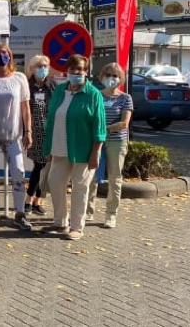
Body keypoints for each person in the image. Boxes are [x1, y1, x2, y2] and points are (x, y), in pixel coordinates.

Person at [42, 54, 106, 241]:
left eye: (80, 70)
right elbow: (51, 120)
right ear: (67, 71)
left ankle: (77, 227)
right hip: (60, 147)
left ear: (86, 72)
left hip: (83, 150)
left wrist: (96, 152)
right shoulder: (60, 91)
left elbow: (99, 126)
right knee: (55, 183)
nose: (76, 73)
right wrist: (48, 149)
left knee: (80, 188)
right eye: (72, 69)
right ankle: (60, 222)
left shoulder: (93, 94)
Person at [0, 43, 32, 230]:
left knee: (18, 171)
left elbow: (25, 107)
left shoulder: (19, 78)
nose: (2, 56)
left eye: (5, 53)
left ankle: (20, 213)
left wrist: (28, 131)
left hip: (13, 134)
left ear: (10, 56)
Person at [87, 62, 133, 229]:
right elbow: (90, 118)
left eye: (115, 75)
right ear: (101, 77)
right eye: (108, 75)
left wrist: (103, 129)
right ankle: (88, 211)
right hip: (96, 142)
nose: (111, 78)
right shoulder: (96, 95)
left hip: (117, 141)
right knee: (91, 177)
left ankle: (111, 214)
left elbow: (124, 123)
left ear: (120, 78)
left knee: (114, 178)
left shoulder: (125, 98)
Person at [25, 55, 56, 216]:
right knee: (39, 166)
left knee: (45, 168)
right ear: (31, 68)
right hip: (34, 132)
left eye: (45, 65)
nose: (42, 68)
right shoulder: (27, 86)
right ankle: (30, 200)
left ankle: (37, 200)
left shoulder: (52, 85)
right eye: (39, 65)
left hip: (49, 132)